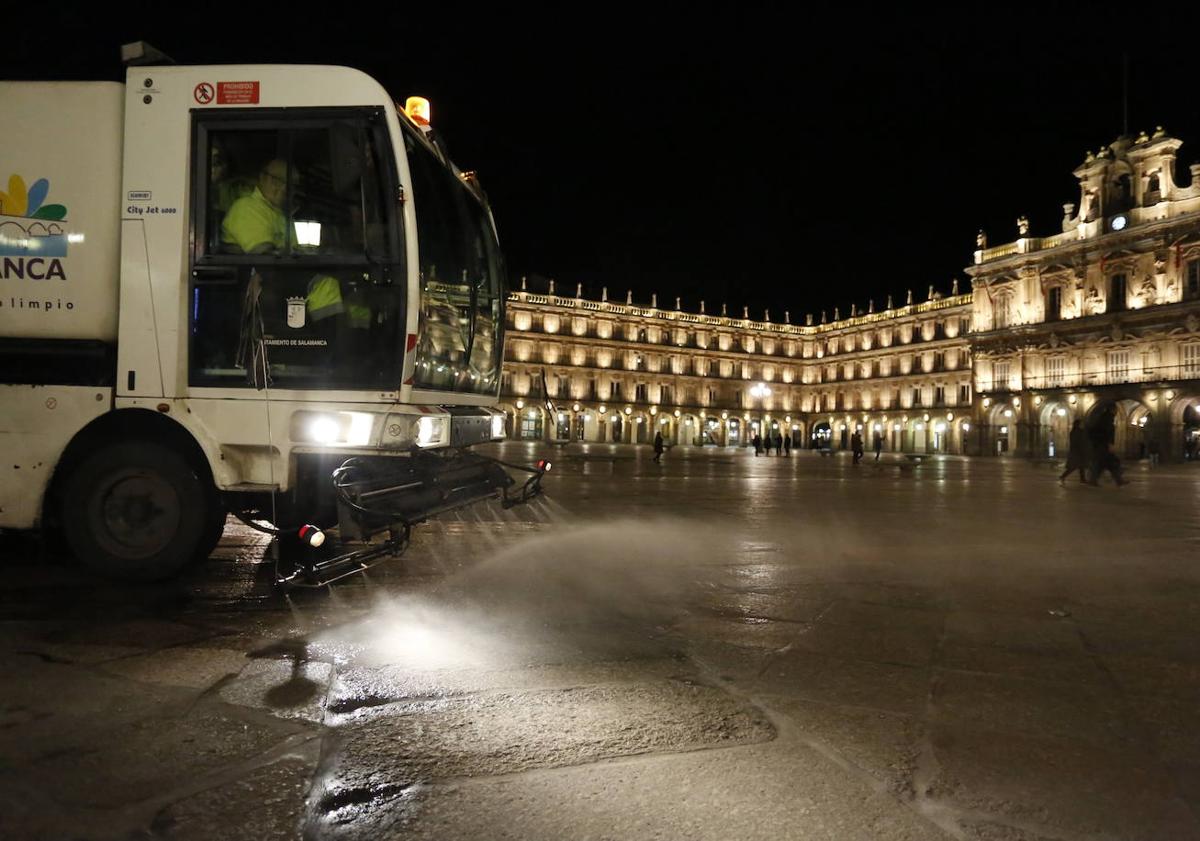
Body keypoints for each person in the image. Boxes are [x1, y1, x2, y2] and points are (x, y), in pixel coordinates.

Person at [1087, 408, 1127, 486]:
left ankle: (1119, 480)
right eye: (1115, 410)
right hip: (1103, 445)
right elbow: (1107, 432)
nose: (1116, 412)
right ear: (1111, 410)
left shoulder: (1102, 418)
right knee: (1108, 462)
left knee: (1108, 463)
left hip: (1100, 445)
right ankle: (1118, 480)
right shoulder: (1107, 419)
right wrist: (1109, 443)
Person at [1059, 419, 1089, 485]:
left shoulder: (1077, 431)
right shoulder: (1076, 432)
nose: (1083, 425)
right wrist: (1081, 449)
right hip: (1077, 452)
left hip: (1078, 451)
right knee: (1073, 466)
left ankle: (1082, 479)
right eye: (1081, 424)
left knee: (1081, 466)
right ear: (1078, 424)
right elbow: (1077, 442)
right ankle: (1062, 476)